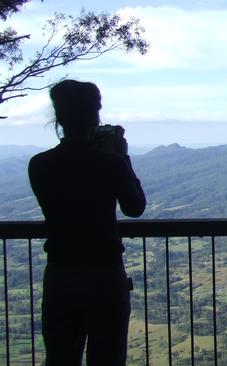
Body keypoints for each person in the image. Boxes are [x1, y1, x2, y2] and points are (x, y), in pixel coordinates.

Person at [28, 79, 146, 366]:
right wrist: (122, 157)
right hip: (104, 275)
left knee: (60, 358)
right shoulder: (110, 163)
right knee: (107, 359)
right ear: (95, 115)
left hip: (60, 275)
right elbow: (135, 207)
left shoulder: (39, 164)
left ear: (59, 118)